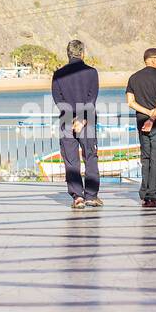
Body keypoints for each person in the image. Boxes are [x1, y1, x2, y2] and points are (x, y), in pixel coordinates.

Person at [51, 39, 101, 209]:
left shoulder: (58, 74)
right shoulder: (92, 72)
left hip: (66, 120)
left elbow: (58, 99)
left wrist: (72, 118)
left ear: (68, 53)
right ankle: (91, 196)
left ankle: (77, 197)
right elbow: (91, 98)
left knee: (71, 159)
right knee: (90, 156)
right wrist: (82, 119)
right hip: (88, 120)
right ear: (82, 53)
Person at [126, 47, 156, 208]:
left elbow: (130, 102)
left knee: (146, 160)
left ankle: (144, 194)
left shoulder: (134, 78)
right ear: (152, 59)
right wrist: (152, 118)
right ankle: (152, 196)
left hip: (141, 124)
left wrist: (146, 113)